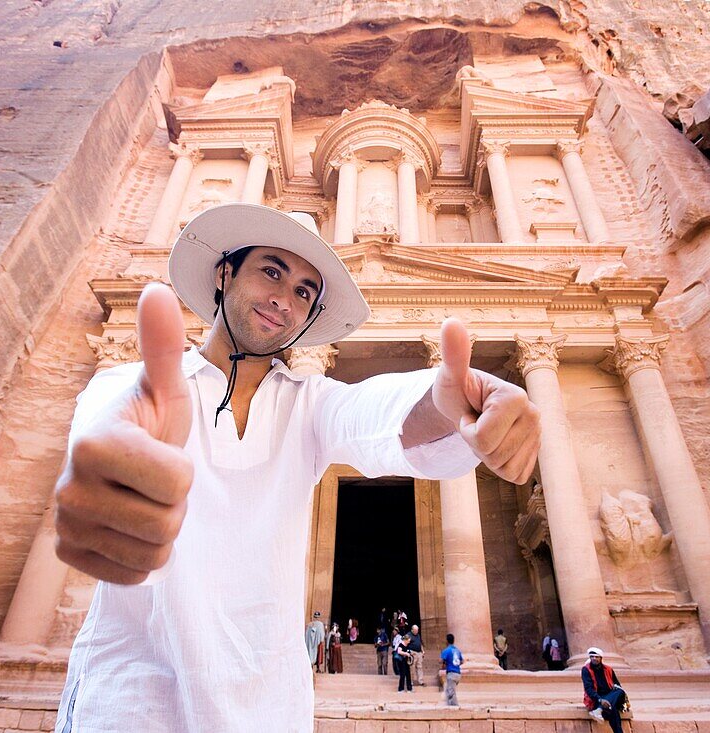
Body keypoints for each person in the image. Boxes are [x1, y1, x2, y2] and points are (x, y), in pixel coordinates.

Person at [51, 203, 540, 731]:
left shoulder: (310, 405)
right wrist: (110, 480)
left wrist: (449, 403)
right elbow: (104, 436)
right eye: (271, 271)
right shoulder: (129, 385)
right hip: (133, 706)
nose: (285, 299)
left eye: (305, 291)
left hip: (268, 710)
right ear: (224, 274)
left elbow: (378, 417)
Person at [582, 647, 628, 733]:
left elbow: (617, 684)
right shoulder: (586, 670)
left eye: (596, 657)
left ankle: (599, 710)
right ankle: (600, 708)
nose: (594, 658)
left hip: (610, 697)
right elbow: (588, 689)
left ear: (601, 658)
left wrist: (614, 688)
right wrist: (600, 700)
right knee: (612, 711)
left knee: (620, 691)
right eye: (592, 656)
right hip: (596, 699)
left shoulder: (608, 669)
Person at [440, 633, 463, 707]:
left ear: (447, 641)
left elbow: (441, 660)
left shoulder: (447, 650)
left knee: (451, 692)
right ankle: (450, 705)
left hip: (451, 673)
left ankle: (454, 708)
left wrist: (445, 664)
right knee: (449, 690)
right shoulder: (457, 650)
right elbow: (462, 661)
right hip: (458, 673)